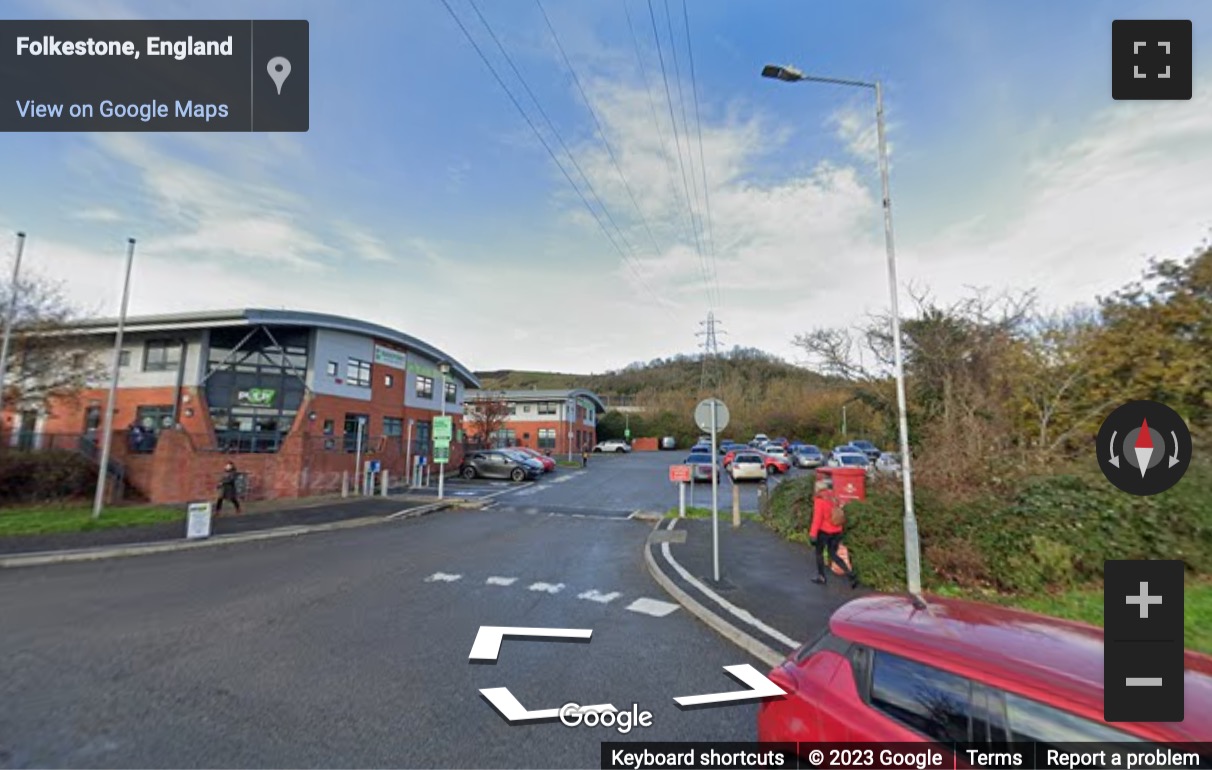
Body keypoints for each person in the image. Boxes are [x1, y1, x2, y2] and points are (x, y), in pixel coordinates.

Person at [809, 476, 858, 588]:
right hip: (837, 530)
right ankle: (850, 574)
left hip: (824, 531)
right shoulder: (833, 497)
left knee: (819, 554)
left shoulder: (819, 500)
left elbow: (817, 519)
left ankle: (821, 576)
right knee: (833, 554)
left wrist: (813, 534)